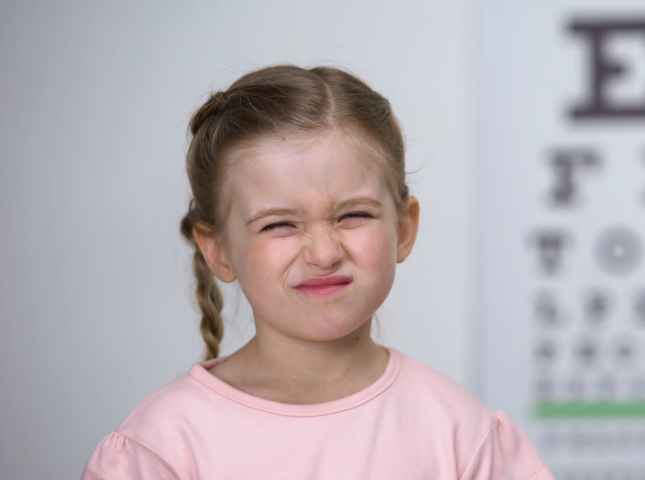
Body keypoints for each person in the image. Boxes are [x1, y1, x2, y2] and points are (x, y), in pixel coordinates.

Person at [82, 65, 555, 480]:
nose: (324, 252)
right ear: (220, 251)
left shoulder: (460, 433)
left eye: (353, 215)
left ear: (405, 229)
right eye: (279, 224)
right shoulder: (162, 446)